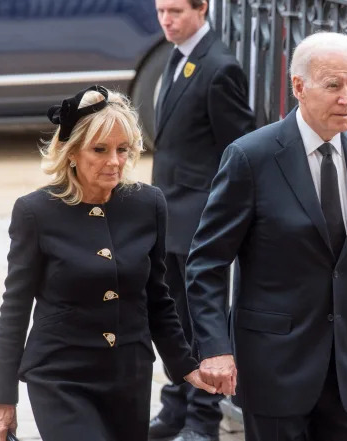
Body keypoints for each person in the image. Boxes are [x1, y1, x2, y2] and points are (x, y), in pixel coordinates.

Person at [184, 31, 347, 441]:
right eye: (333, 85)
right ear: (299, 87)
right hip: (275, 368)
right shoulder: (252, 157)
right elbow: (206, 263)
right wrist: (215, 347)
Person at [0, 86, 212, 441]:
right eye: (100, 150)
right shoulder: (35, 212)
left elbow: (157, 299)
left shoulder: (148, 205)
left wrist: (185, 366)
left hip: (129, 376)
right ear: (72, 152)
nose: (115, 161)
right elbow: (14, 308)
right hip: (60, 376)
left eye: (123, 150)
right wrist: (3, 400)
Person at [150, 0, 255, 440]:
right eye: (160, 11)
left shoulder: (219, 67)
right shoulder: (176, 58)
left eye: (175, 11)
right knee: (173, 319)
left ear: (202, 8)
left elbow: (240, 150)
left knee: (201, 322)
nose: (166, 20)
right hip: (170, 217)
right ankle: (175, 408)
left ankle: (202, 419)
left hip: (199, 220)